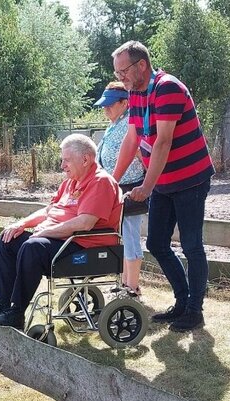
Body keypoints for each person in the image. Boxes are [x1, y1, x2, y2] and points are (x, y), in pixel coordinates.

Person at [0, 134, 122, 329]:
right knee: (8, 238)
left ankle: (16, 314)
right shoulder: (69, 182)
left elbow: (85, 223)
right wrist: (21, 224)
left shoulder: (100, 182)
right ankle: (2, 303)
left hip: (84, 246)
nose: (62, 165)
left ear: (85, 159)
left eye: (66, 160)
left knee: (33, 247)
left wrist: (44, 233)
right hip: (61, 241)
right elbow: (49, 210)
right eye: (62, 160)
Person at [111, 41, 215, 332]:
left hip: (190, 179)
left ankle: (195, 311)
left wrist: (145, 186)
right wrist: (111, 179)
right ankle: (182, 302)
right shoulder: (136, 94)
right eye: (118, 73)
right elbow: (132, 140)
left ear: (141, 65)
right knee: (156, 242)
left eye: (123, 72)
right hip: (164, 182)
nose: (121, 79)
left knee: (192, 245)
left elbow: (163, 142)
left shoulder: (167, 87)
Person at [94, 81, 147, 297]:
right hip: (114, 189)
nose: (106, 108)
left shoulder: (130, 125)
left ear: (125, 103)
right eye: (104, 105)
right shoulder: (114, 124)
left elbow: (143, 157)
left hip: (130, 189)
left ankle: (132, 287)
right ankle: (125, 282)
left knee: (131, 236)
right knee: (121, 236)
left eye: (110, 104)